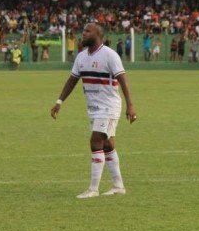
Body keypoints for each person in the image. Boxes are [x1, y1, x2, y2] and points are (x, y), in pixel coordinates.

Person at [50, 23, 137, 199]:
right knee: (107, 145)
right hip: (93, 108)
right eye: (83, 31)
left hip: (109, 106)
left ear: (98, 34)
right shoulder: (81, 57)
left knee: (95, 141)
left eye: (87, 31)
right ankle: (118, 186)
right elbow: (72, 80)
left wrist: (130, 105)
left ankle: (93, 189)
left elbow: (123, 79)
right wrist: (59, 102)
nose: (83, 34)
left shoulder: (110, 55)